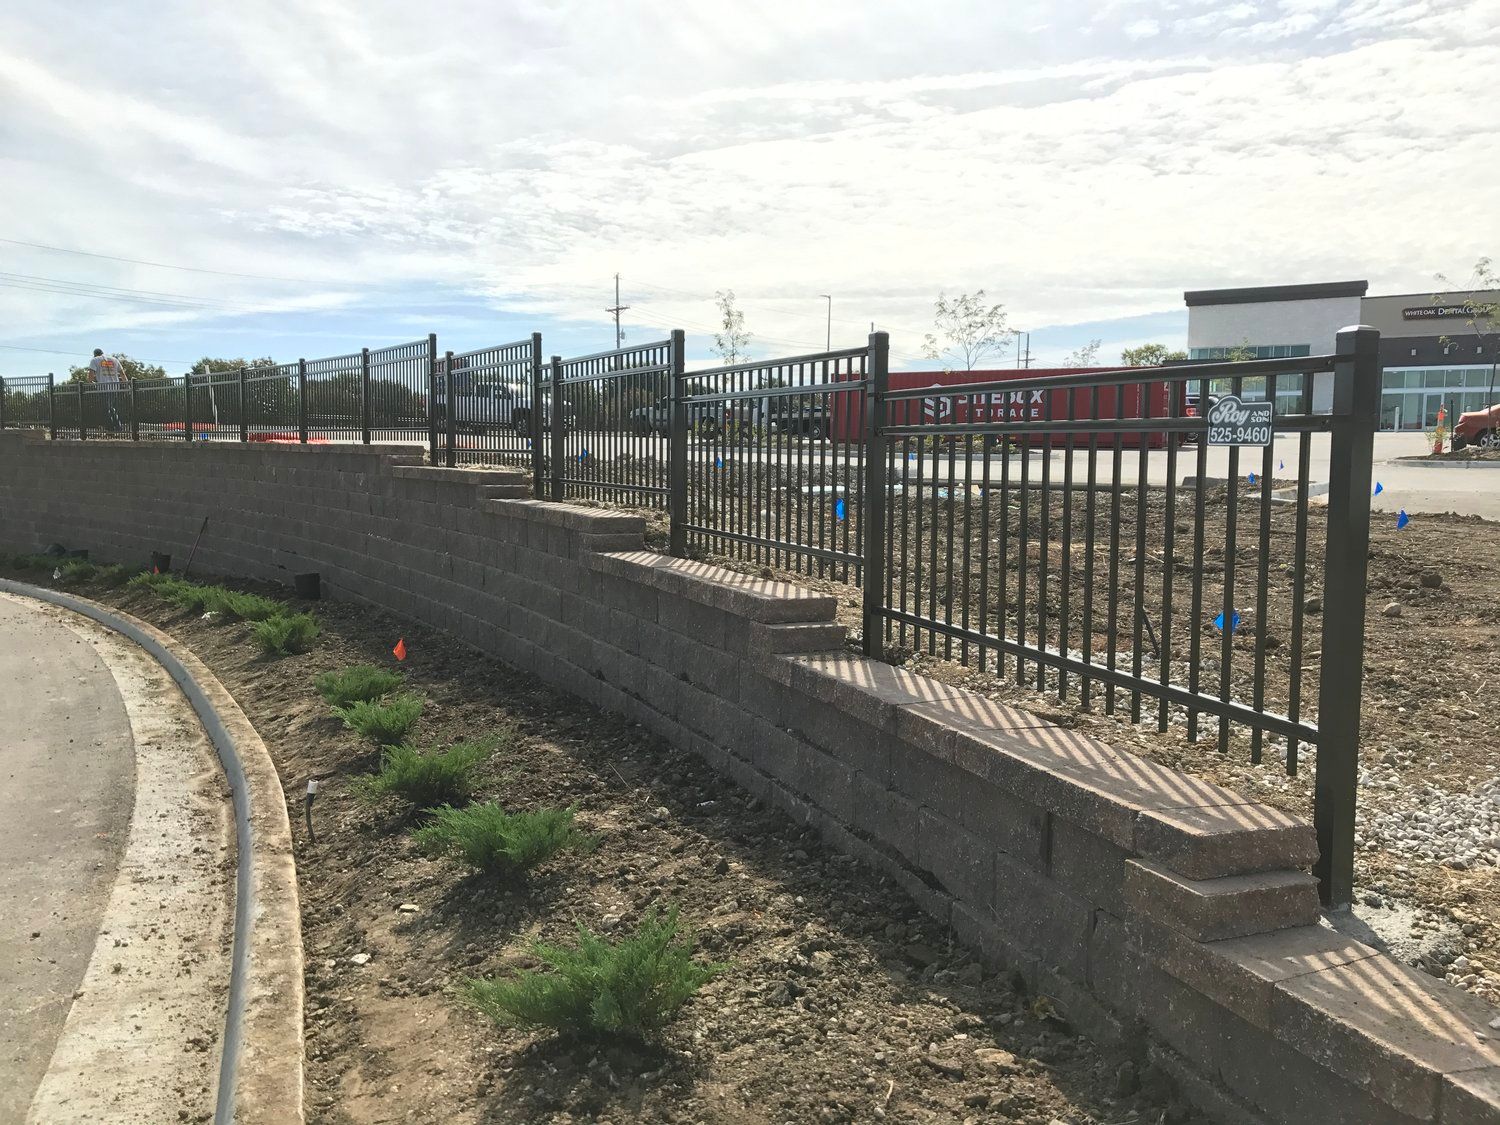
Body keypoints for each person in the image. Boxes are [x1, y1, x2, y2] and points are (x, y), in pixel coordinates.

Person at [88, 348, 124, 432]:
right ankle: (117, 427)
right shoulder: (114, 359)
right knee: (111, 407)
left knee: (105, 408)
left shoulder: (94, 360)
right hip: (115, 388)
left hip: (103, 388)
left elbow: (90, 375)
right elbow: (122, 373)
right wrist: (127, 385)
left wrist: (91, 382)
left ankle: (112, 428)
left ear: (95, 354)